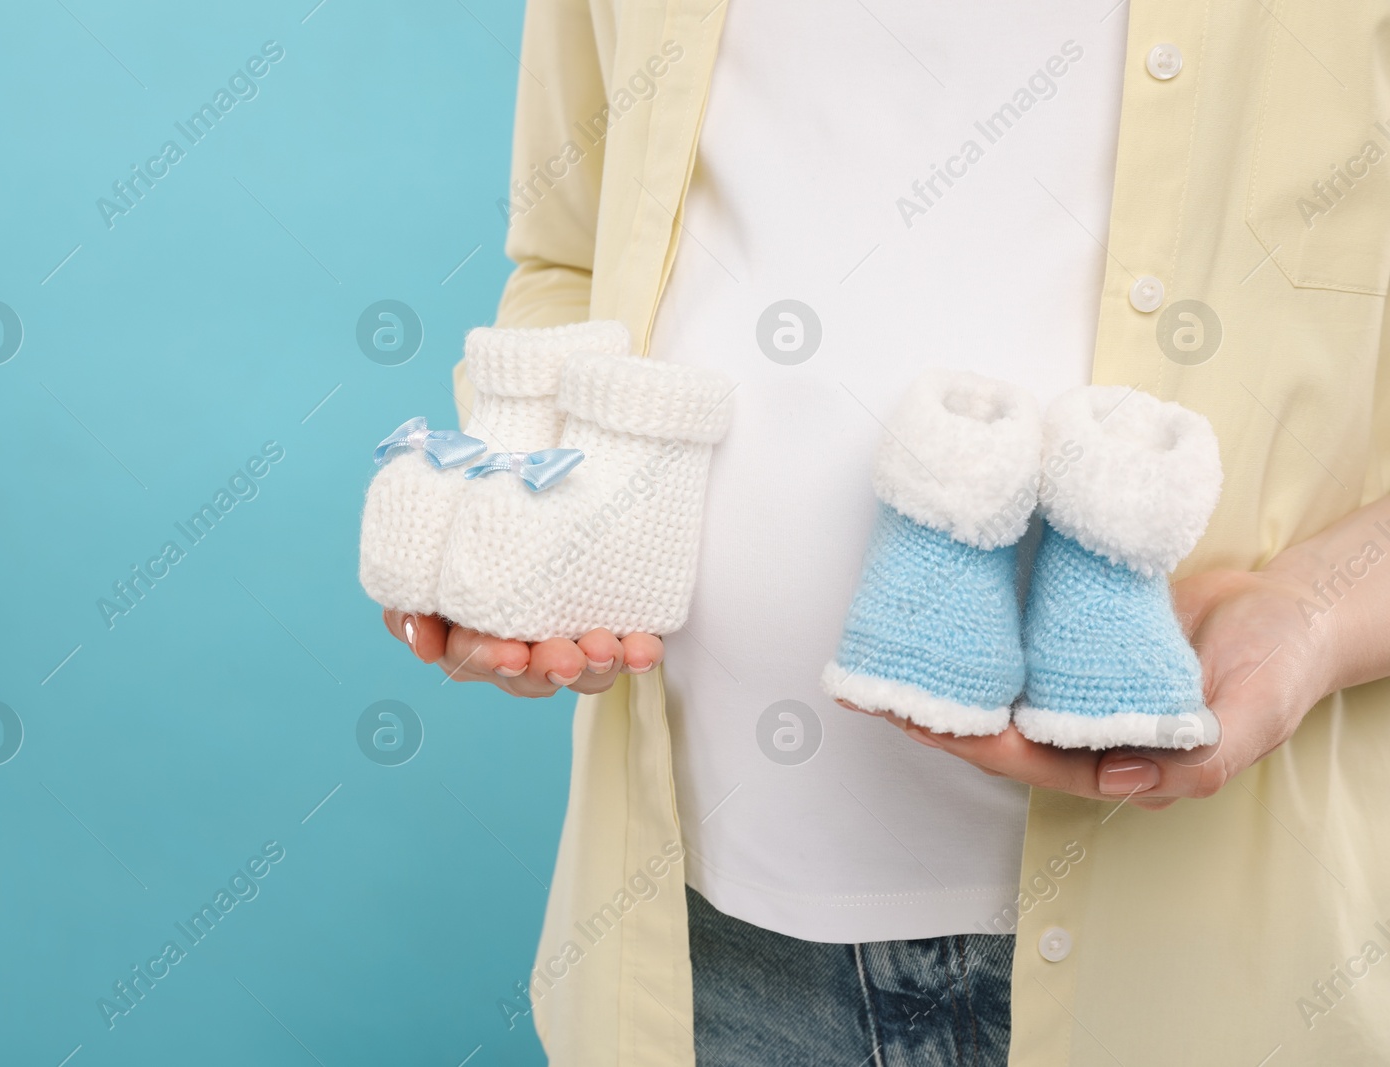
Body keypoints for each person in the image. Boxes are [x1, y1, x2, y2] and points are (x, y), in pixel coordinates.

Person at [385, 1, 1390, 1063]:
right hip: (709, 950)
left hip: (1208, 956)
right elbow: (567, 260)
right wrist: (524, 520)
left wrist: (1316, 613)